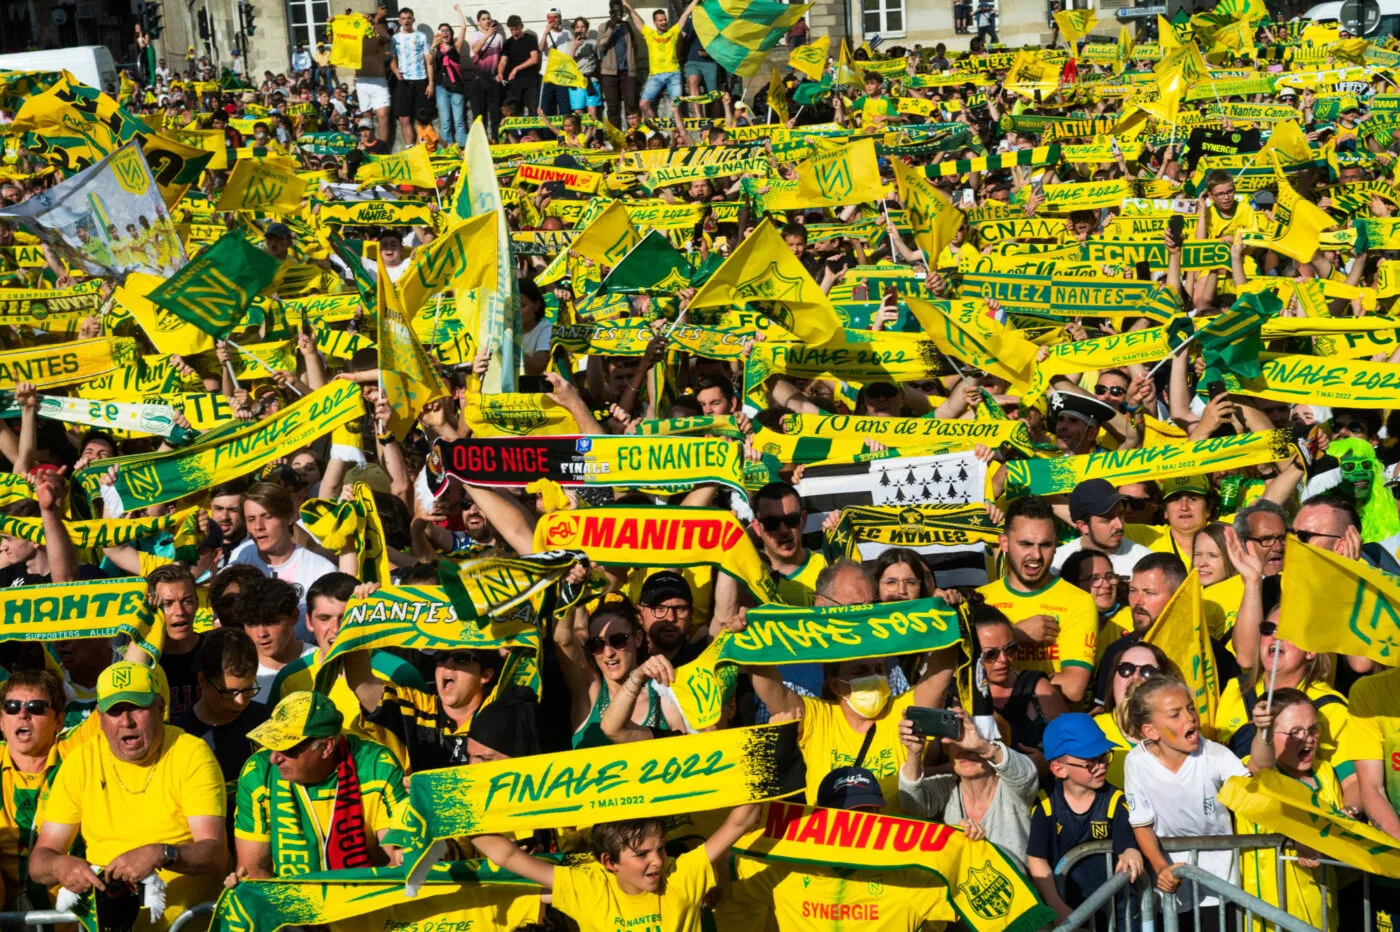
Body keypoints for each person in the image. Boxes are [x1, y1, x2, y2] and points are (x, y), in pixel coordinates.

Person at [29, 662, 228, 929]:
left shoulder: (191, 753)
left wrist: (162, 854)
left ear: (160, 708)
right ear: (99, 718)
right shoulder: (81, 760)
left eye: (136, 707)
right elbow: (40, 860)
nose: (126, 721)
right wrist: (60, 866)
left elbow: (214, 853)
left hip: (182, 924)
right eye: (115, 711)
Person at [471, 806, 762, 932]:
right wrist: (442, 813)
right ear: (609, 862)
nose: (659, 861)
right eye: (642, 854)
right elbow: (506, 856)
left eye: (660, 848)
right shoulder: (586, 886)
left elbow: (741, 821)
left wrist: (774, 744)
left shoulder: (681, 873)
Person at [1123, 675, 1273, 919]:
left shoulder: (1216, 755)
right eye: (1175, 714)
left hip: (1221, 883)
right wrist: (1161, 868)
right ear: (1150, 731)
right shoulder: (1136, 761)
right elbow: (1141, 823)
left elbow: (1255, 783)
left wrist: (1263, 735)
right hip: (1172, 886)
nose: (1190, 717)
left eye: (1191, 708)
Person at [231, 691, 405, 880]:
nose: (274, 758)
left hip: (364, 899)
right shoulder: (258, 771)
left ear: (326, 747)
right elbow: (252, 870)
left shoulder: (377, 765)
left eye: (287, 748)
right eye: (272, 743)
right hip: (292, 902)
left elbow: (397, 860)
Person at [979, 495, 1100, 704]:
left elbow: (1073, 688)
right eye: (1025, 544)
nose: (1036, 555)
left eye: (1045, 545)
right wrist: (1016, 634)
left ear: (1056, 544)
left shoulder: (1078, 601)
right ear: (1004, 543)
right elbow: (968, 676)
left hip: (1050, 730)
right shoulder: (981, 599)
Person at [1027, 714, 1143, 926]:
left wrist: (1130, 850)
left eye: (1104, 756)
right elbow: (1037, 858)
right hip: (1068, 907)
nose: (1101, 766)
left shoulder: (1116, 800)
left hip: (1118, 912)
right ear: (1059, 769)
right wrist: (1056, 905)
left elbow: (1125, 838)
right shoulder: (1045, 805)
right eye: (1090, 762)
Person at [898, 708, 1039, 867]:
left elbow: (1026, 774)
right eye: (957, 739)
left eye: (975, 738)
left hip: (1020, 888)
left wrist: (983, 747)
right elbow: (912, 805)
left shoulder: (1011, 787)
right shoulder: (947, 786)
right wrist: (914, 754)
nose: (966, 749)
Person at [173, 628, 270, 794]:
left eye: (247, 690)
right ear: (203, 679)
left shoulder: (269, 724)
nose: (239, 701)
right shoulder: (181, 737)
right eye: (229, 692)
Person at [230, 482, 337, 626]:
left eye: (267, 516)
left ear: (290, 517)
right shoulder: (240, 558)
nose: (258, 527)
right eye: (251, 519)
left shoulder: (321, 570)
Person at [230, 576, 314, 701]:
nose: (261, 634)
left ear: (294, 616)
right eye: (252, 624)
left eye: (270, 622)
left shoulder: (321, 663)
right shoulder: (233, 671)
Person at [1053, 479, 1154, 575]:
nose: (1119, 525)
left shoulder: (1146, 562)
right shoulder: (1056, 564)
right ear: (1083, 526)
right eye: (1107, 519)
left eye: (1120, 514)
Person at [625, 0, 697, 120]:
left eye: (664, 19)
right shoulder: (650, 34)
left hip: (674, 73)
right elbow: (635, 18)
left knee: (677, 105)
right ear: (654, 22)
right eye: (660, 20)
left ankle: (678, 132)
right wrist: (626, 4)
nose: (664, 22)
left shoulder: (673, 32)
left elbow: (684, 15)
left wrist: (695, 1)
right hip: (655, 75)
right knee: (643, 104)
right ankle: (657, 129)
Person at [390, 7, 433, 146]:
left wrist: (431, 83)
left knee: (423, 117)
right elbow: (392, 59)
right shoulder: (395, 39)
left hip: (420, 80)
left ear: (413, 19)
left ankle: (425, 149)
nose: (406, 21)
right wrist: (396, 71)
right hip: (403, 81)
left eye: (409, 18)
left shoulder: (421, 36)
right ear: (399, 20)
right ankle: (410, 149)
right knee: (404, 118)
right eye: (403, 18)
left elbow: (429, 61)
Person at [432, 12, 470, 147]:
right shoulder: (436, 49)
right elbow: (430, 62)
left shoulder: (456, 47)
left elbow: (463, 27)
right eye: (442, 31)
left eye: (447, 30)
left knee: (459, 121)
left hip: (456, 88)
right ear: (439, 34)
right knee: (445, 121)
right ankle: (447, 149)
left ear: (451, 33)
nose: (445, 33)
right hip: (441, 88)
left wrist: (458, 10)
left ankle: (463, 147)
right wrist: (433, 46)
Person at [498, 15, 541, 113]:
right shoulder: (508, 43)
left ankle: (533, 129)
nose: (514, 33)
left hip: (530, 79)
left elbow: (534, 59)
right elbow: (503, 61)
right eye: (511, 30)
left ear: (521, 26)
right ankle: (517, 129)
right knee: (514, 110)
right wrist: (500, 72)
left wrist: (516, 69)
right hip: (515, 82)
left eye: (516, 29)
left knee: (533, 110)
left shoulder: (530, 39)